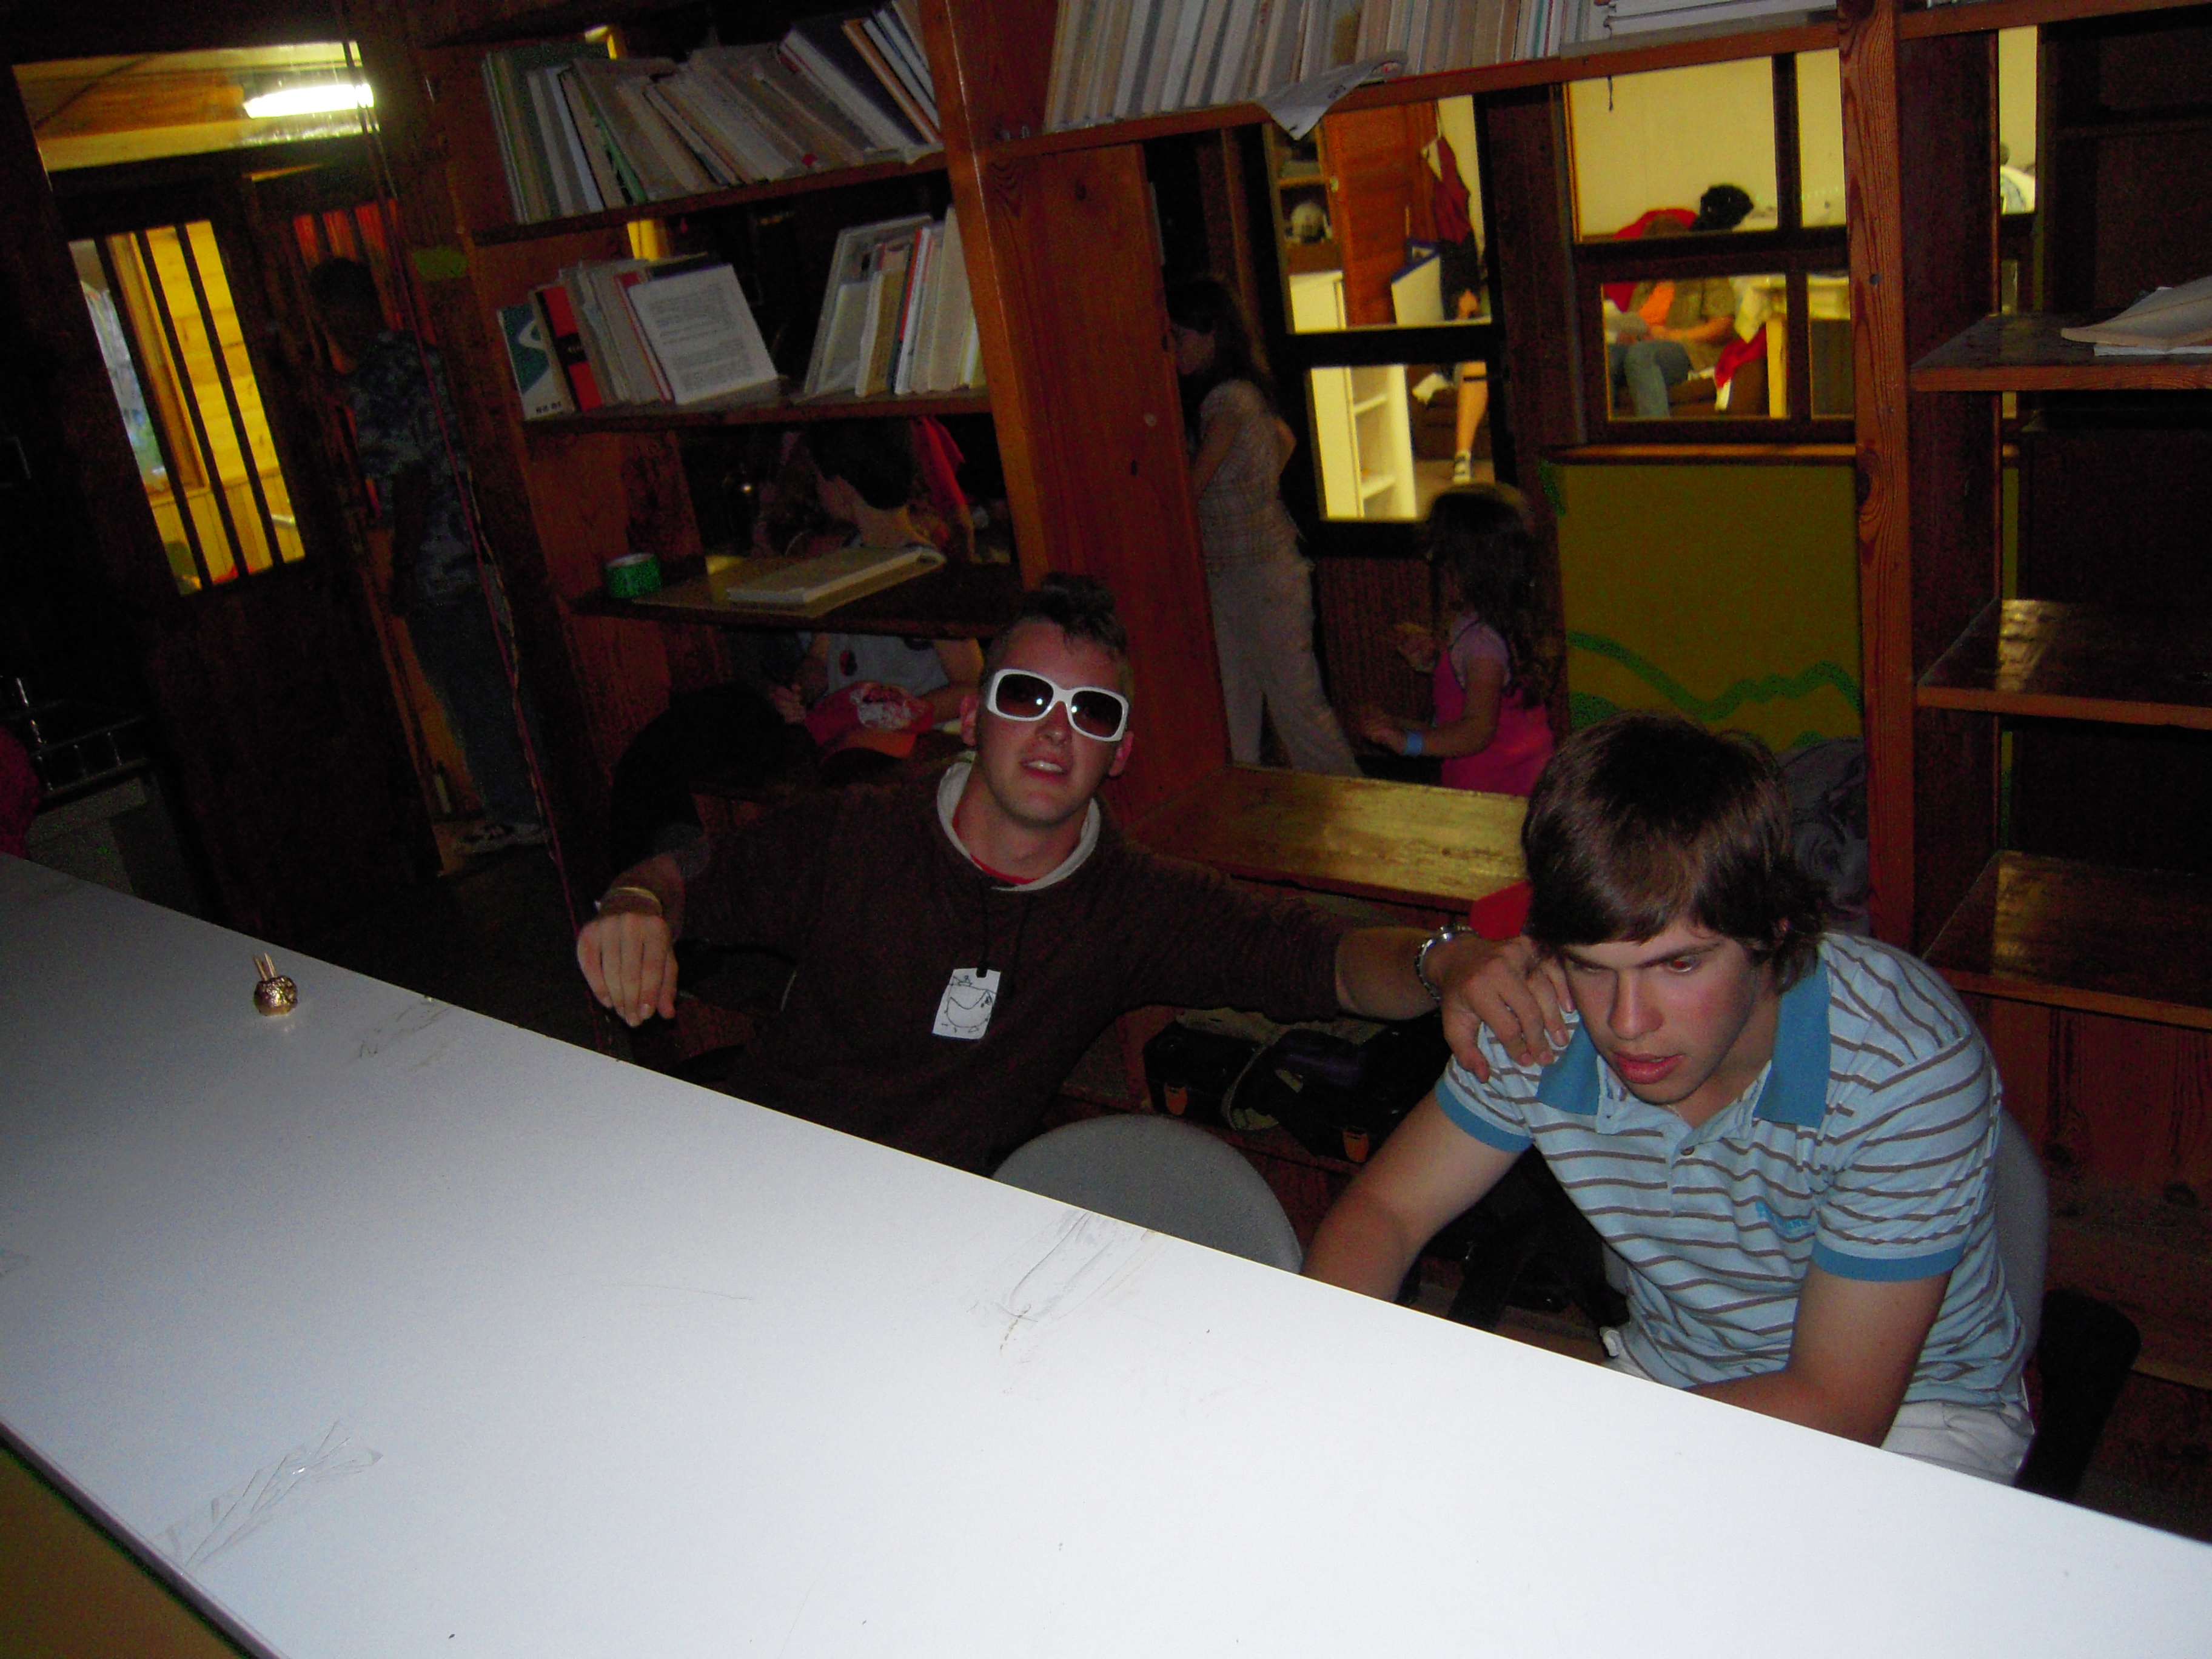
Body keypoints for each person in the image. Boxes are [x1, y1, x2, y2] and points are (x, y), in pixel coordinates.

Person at [1305, 711, 2033, 1483]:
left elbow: (1838, 1407)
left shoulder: (1900, 1063)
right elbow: (1386, 1212)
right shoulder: (1549, 1012)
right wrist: (1326, 1378)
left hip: (1916, 1418)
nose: (1627, 1024)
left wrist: (1558, 1452)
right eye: (1592, 966)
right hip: (1671, 1382)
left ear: (1773, 927)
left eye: (1680, 966)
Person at [577, 575, 1503, 1175]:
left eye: (1091, 711)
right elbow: (685, 878)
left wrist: (1445, 961)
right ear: (973, 719)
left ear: (1120, 751)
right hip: (768, 1164)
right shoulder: (858, 834)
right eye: (1026, 695)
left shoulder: (1132, 905)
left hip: (940, 1227)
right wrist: (633, 903)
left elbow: (1324, 959)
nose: (1057, 728)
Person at [606, 420, 984, 868]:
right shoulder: (844, 561)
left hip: (894, 746)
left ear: (839, 486)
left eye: (818, 477)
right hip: (836, 732)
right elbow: (819, 661)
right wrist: (798, 690)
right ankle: (666, 866)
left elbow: (971, 684)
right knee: (683, 737)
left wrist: (906, 712)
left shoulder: (926, 569)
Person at [309, 259, 544, 855]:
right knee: (510, 683)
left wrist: (403, 570)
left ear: (339, 313)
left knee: (469, 695)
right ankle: (546, 796)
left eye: (325, 318)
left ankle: (514, 812)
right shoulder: (419, 356)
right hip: (480, 543)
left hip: (440, 562)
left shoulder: (379, 379)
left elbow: (410, 477)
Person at [1165, 278, 1361, 778]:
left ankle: (1355, 805)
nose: (1173, 348)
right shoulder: (1237, 392)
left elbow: (1191, 486)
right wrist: (1252, 495)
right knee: (1238, 714)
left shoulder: (1228, 399)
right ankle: (1253, 809)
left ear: (1211, 332)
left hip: (1261, 576)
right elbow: (1285, 439)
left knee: (1296, 711)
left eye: (1178, 336)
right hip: (1239, 571)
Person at [1359, 485, 1555, 796]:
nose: (1436, 568)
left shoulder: (1481, 643)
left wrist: (1406, 742)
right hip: (1519, 778)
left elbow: (1477, 731)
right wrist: (1439, 662)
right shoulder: (1499, 622)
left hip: (1493, 787)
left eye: (1440, 559)